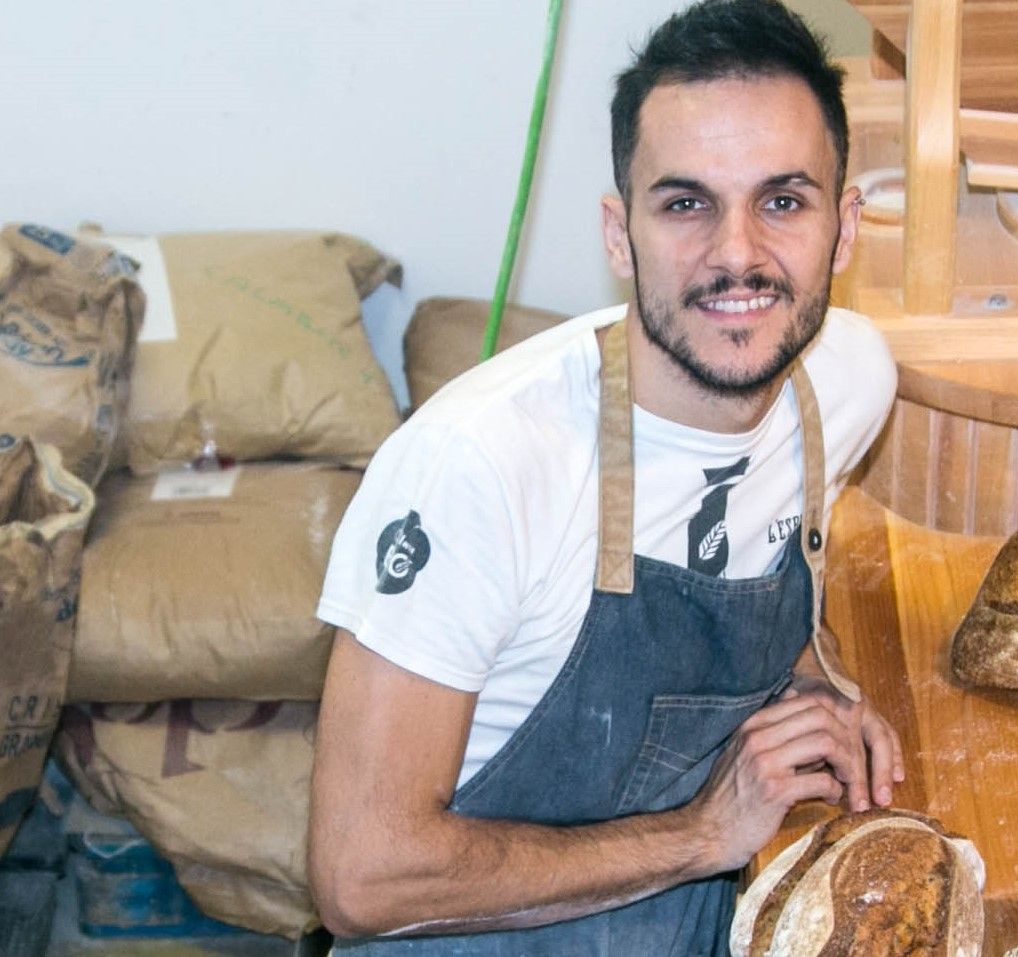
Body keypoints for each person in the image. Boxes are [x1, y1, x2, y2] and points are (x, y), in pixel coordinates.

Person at [306, 2, 901, 953]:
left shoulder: (850, 382)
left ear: (846, 229)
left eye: (783, 201)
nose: (737, 254)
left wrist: (815, 681)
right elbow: (361, 873)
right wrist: (704, 832)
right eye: (686, 203)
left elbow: (756, 564)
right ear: (620, 237)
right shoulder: (483, 467)